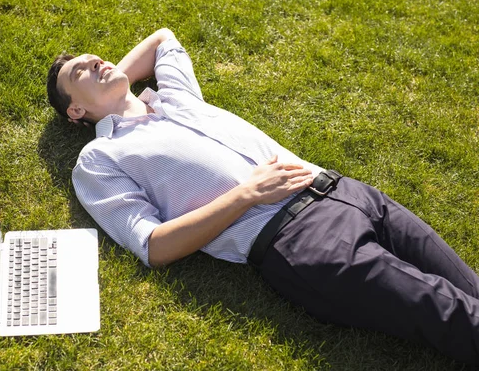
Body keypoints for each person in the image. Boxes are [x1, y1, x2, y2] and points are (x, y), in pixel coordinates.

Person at [47, 28, 479, 364]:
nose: (95, 60)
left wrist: (111, 83)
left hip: (347, 192)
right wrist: (246, 196)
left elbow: (163, 39)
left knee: (470, 290)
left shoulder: (176, 98)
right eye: (79, 72)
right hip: (300, 241)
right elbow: (153, 246)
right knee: (455, 315)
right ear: (75, 112)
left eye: (95, 57)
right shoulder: (99, 159)